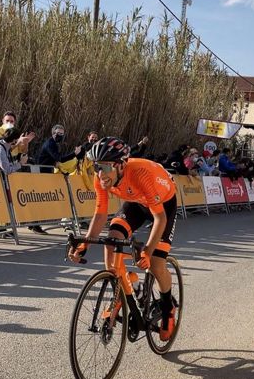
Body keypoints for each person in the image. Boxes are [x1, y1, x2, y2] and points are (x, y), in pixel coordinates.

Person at [68, 137, 178, 341]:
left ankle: (167, 308)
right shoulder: (101, 179)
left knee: (155, 263)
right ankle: (121, 289)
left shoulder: (140, 174)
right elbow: (100, 214)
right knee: (112, 240)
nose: (100, 173)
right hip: (136, 203)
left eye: (105, 167)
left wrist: (147, 251)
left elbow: (160, 218)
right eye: (96, 167)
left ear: (120, 165)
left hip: (163, 205)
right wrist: (84, 244)